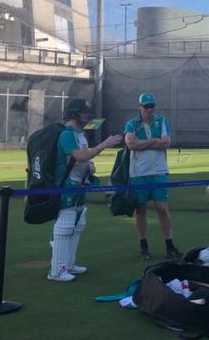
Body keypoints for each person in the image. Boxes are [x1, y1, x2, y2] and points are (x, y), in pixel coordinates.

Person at [48, 98, 122, 282]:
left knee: (78, 223)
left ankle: (69, 265)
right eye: (84, 112)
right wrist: (104, 144)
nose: (88, 115)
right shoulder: (67, 134)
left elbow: (82, 157)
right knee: (65, 224)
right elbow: (81, 155)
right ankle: (57, 270)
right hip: (67, 186)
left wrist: (89, 165)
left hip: (79, 184)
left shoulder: (79, 133)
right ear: (74, 113)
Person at [124, 92, 181, 260]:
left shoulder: (161, 121)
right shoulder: (131, 124)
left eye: (151, 106)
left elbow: (166, 142)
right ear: (139, 107)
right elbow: (131, 144)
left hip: (159, 171)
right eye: (146, 106)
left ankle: (170, 246)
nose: (149, 109)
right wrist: (154, 142)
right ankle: (144, 246)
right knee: (140, 210)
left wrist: (143, 144)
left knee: (162, 209)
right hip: (138, 173)